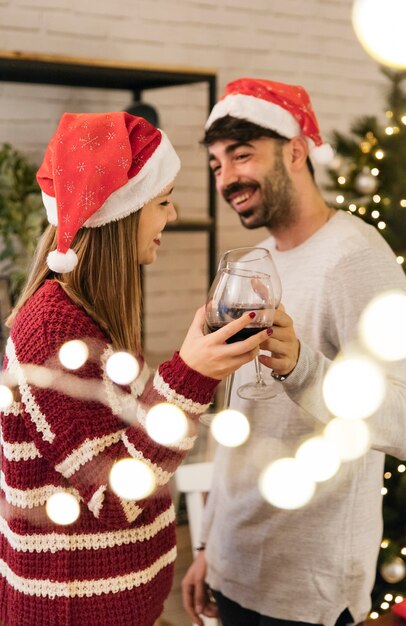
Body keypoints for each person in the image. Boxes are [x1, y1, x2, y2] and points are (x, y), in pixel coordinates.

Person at [0, 111, 272, 626]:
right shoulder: (52, 329)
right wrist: (191, 373)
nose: (172, 215)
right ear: (119, 214)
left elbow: (120, 443)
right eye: (162, 201)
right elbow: (112, 492)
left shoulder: (86, 317)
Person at [182, 78, 406, 626]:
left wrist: (300, 365)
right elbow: (239, 419)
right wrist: (208, 546)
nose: (228, 178)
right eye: (216, 164)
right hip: (236, 568)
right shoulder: (251, 262)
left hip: (310, 589)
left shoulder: (358, 259)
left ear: (295, 150)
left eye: (242, 155)